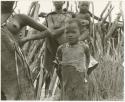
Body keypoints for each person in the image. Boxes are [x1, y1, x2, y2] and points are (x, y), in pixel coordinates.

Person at [56, 18, 90, 100]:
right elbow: (58, 60)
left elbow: (88, 58)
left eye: (73, 32)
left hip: (80, 77)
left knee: (80, 95)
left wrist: (86, 69)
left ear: (80, 32)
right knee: (67, 95)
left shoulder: (84, 47)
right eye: (67, 32)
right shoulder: (61, 48)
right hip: (66, 79)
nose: (70, 35)